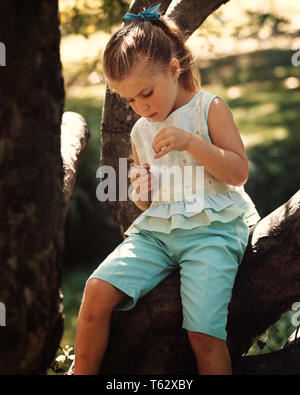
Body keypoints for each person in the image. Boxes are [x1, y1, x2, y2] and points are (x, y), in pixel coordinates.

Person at [74, 4, 260, 375]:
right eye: (129, 100)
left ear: (174, 70)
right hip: (158, 234)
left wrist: (192, 143)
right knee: (95, 291)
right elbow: (147, 203)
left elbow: (238, 172)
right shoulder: (140, 131)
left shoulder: (209, 108)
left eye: (146, 93)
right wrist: (141, 188)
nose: (141, 107)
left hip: (213, 230)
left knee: (203, 335)